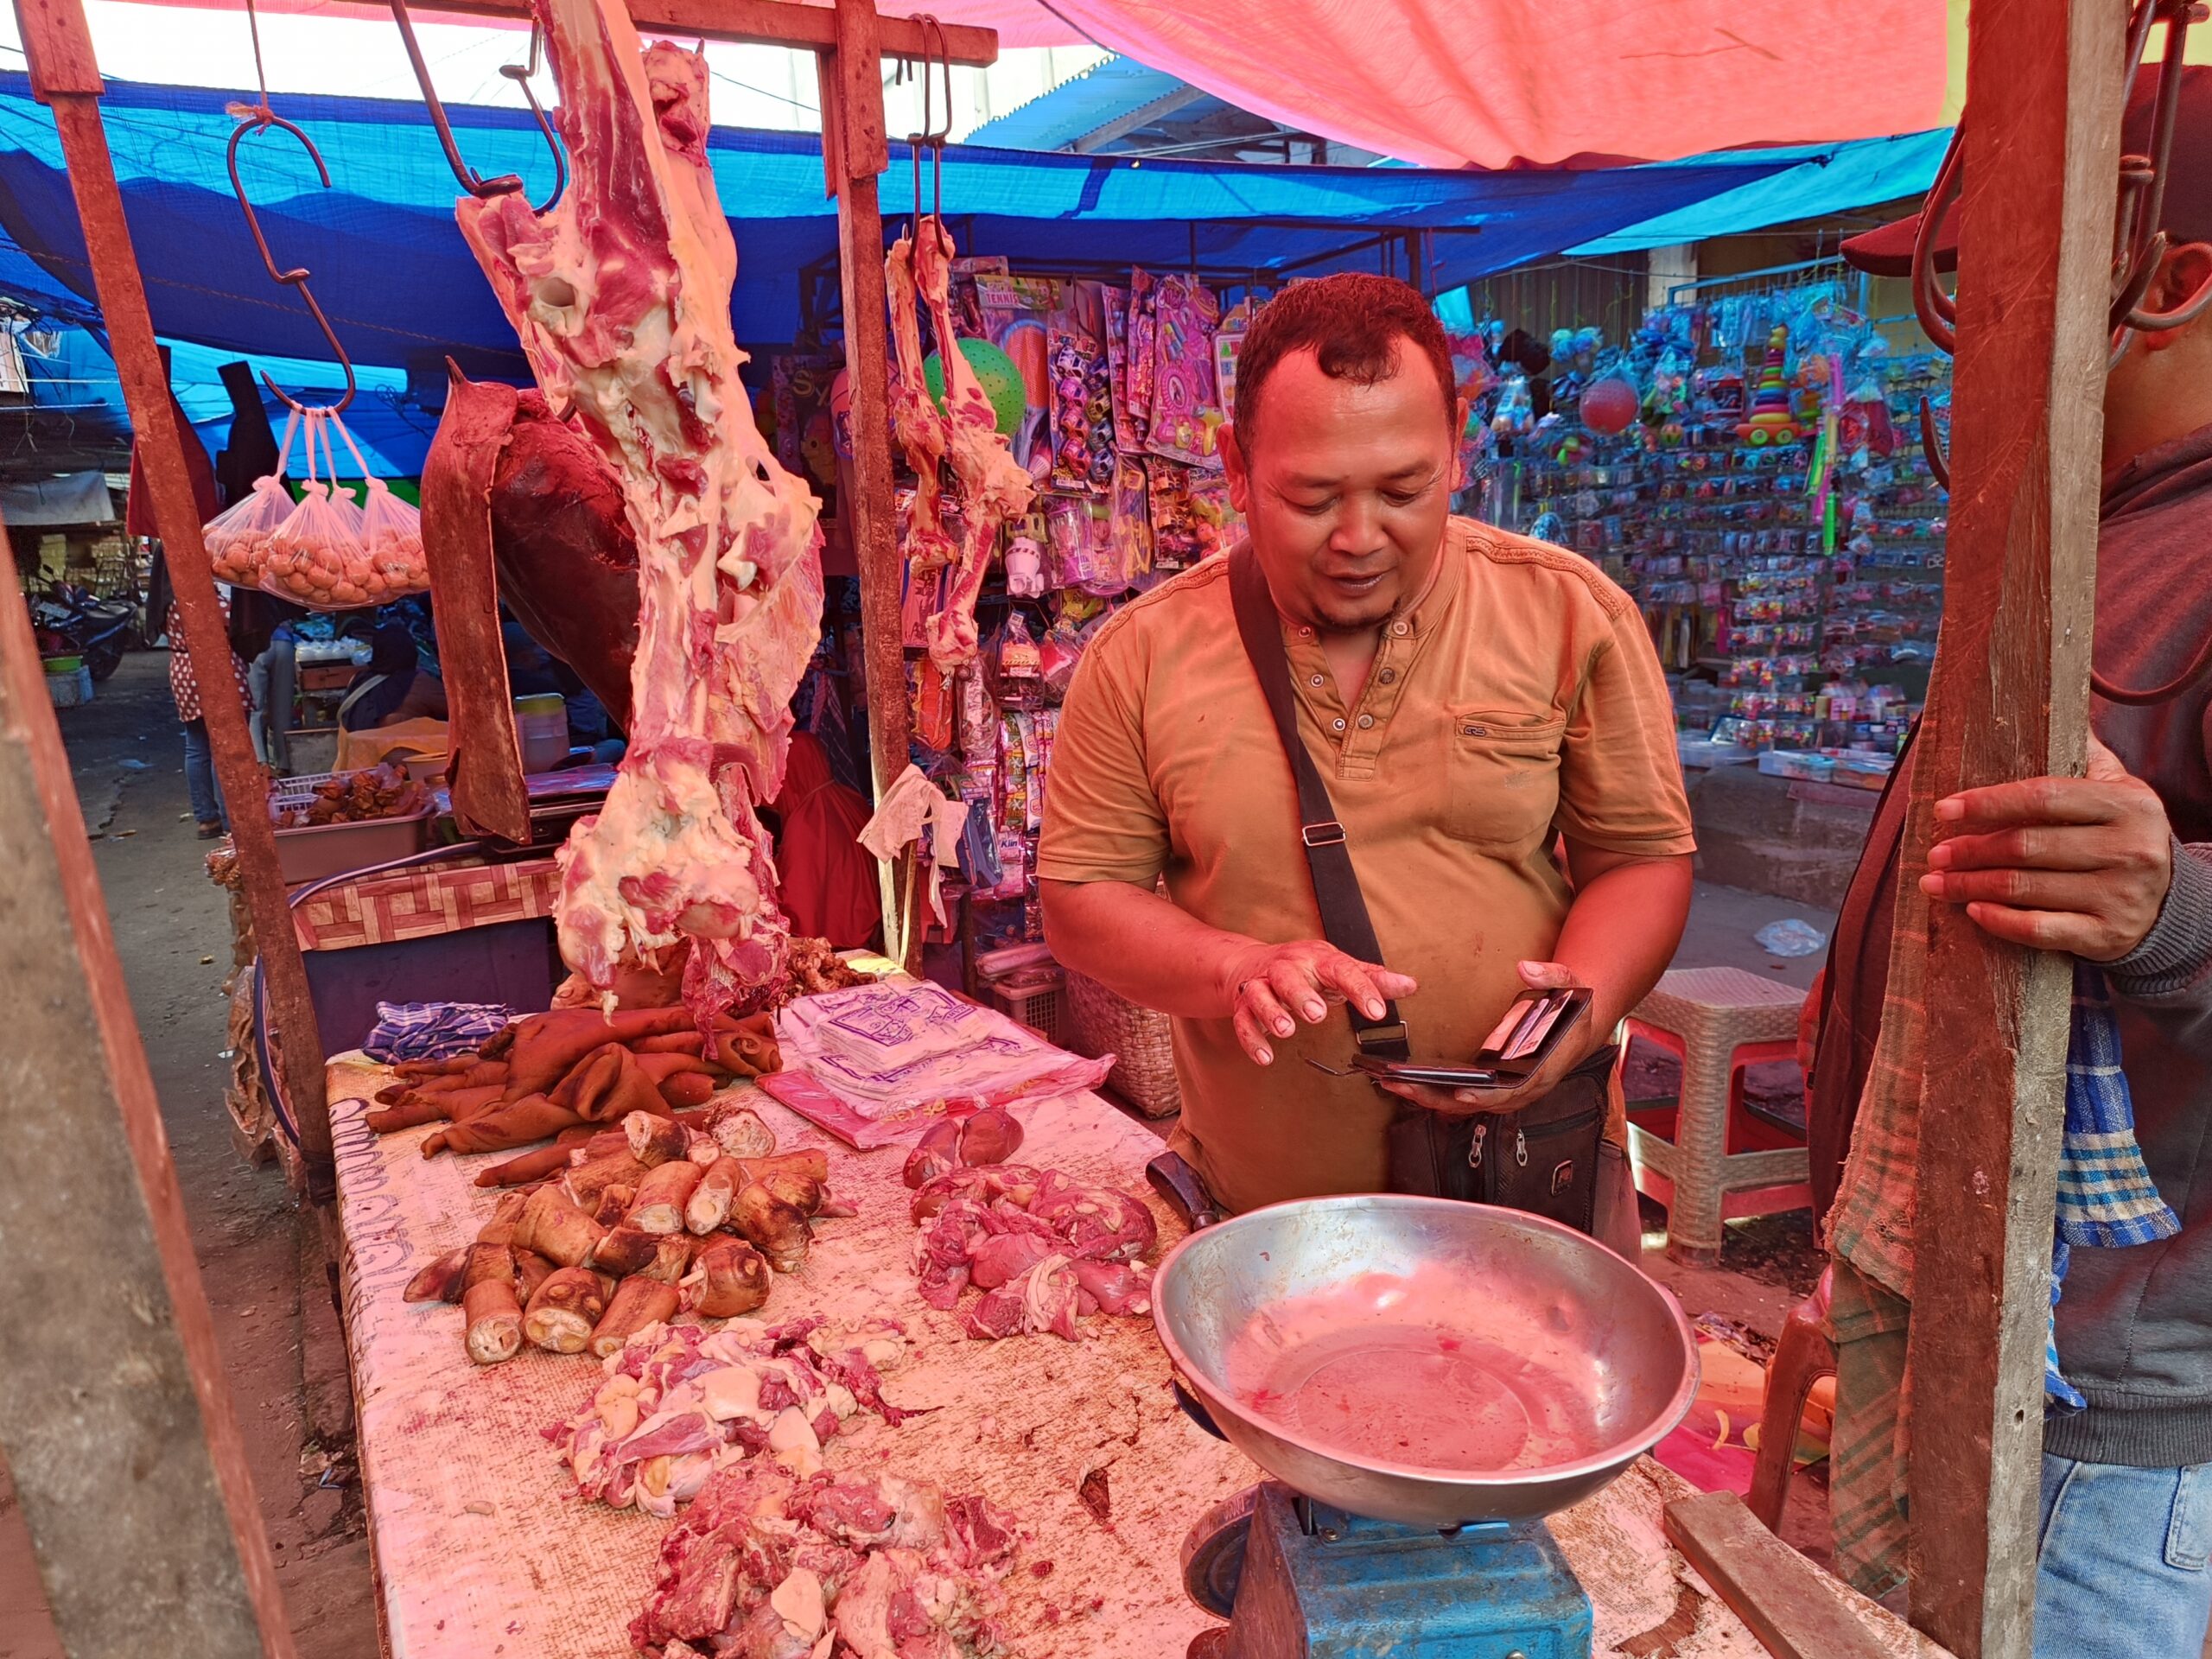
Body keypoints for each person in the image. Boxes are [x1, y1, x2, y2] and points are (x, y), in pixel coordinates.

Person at [1038, 273, 1694, 1252]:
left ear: (1456, 454)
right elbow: (1081, 896)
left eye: (1402, 490)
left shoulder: (1567, 614)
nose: (1358, 539)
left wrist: (1573, 1011)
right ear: (1233, 469)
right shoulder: (1142, 654)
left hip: (1528, 1191)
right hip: (1267, 1222)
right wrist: (1234, 969)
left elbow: (1640, 859)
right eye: (1310, 498)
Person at [1810, 67, 2212, 1656]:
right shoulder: (2094, 528)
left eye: (1996, 285)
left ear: (2171, 284)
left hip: (2102, 1431)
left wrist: (2174, 911)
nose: (1961, 335)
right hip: (1991, 1372)